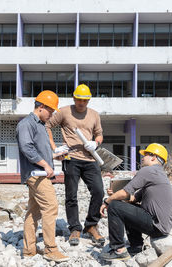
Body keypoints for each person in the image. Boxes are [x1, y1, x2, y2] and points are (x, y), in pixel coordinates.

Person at [45, 84, 105, 246]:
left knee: (99, 191)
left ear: (88, 100)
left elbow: (99, 134)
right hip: (70, 158)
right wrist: (54, 148)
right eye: (79, 100)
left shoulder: (94, 115)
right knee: (71, 195)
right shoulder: (64, 112)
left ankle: (91, 226)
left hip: (90, 159)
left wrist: (95, 143)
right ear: (74, 98)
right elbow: (47, 125)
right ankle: (75, 228)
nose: (81, 103)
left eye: (84, 101)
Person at [16, 90, 69, 263]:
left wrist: (54, 157)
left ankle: (29, 250)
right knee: (51, 207)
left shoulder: (40, 125)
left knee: (33, 212)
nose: (52, 114)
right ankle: (50, 249)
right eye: (51, 111)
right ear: (41, 107)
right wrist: (46, 165)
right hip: (35, 175)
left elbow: (40, 151)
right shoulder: (26, 124)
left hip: (39, 173)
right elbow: (27, 148)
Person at [99, 143, 172, 261]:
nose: (142, 157)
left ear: (153, 157)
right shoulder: (158, 173)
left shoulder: (148, 170)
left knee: (114, 206)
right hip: (161, 226)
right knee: (126, 205)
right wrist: (114, 194)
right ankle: (136, 246)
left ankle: (118, 250)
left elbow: (124, 193)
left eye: (145, 154)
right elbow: (132, 198)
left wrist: (107, 201)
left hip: (156, 225)